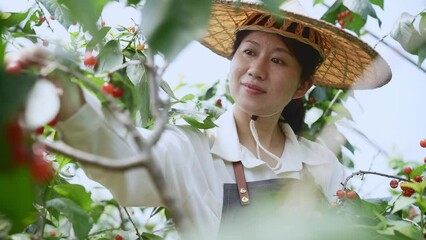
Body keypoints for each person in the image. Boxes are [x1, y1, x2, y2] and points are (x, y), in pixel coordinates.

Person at [5, 0, 392, 239]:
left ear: (301, 87)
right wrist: (72, 102)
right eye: (249, 52)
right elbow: (127, 163)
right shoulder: (193, 146)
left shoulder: (322, 166)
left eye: (277, 61)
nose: (256, 69)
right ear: (232, 59)